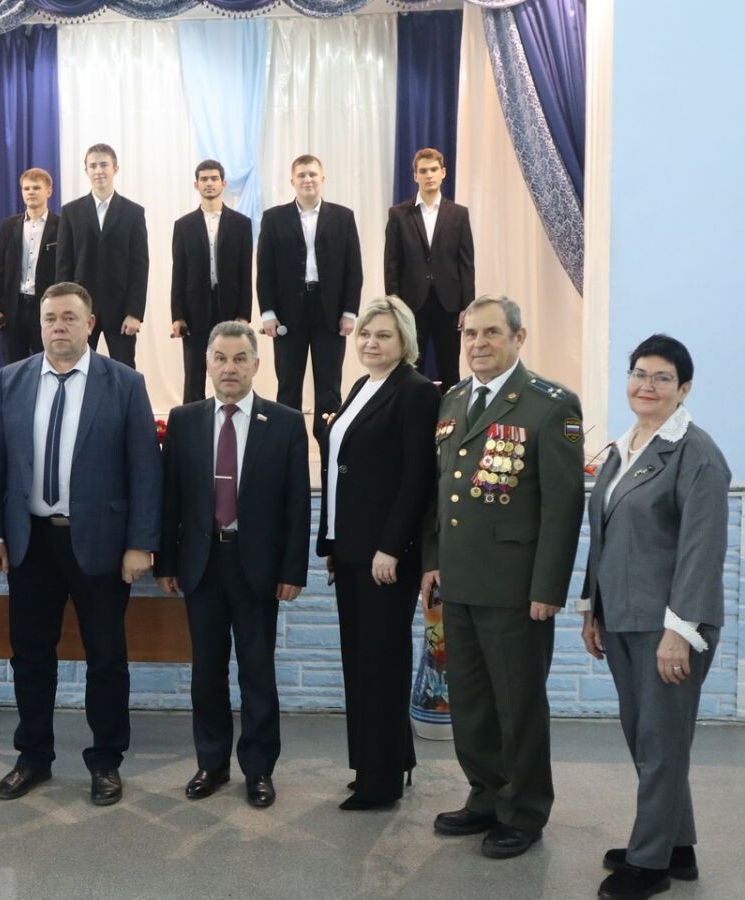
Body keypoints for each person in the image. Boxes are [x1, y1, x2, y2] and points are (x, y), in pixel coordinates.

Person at [0, 281, 162, 806]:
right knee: (31, 656)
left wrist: (140, 543)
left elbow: (145, 468)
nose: (58, 327)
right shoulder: (11, 378)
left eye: (69, 318)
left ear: (90, 323)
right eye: (50, 318)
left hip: (101, 544)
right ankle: (33, 756)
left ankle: (105, 761)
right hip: (31, 543)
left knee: (106, 658)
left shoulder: (124, 383)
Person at [420, 295, 584, 859]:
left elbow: (562, 507)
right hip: (460, 582)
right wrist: (433, 558)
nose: (478, 343)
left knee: (518, 705)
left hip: (516, 590)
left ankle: (524, 810)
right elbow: (443, 490)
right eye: (470, 333)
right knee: (470, 701)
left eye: (491, 332)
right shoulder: (453, 400)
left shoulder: (549, 405)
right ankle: (486, 795)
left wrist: (548, 588)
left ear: (519, 337)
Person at [579, 335, 729, 900]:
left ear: (683, 388)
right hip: (623, 615)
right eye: (639, 373)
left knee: (660, 745)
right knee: (648, 739)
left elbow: (701, 550)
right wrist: (592, 607)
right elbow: (605, 533)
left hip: (669, 626)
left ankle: (649, 864)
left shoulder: (698, 454)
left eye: (662, 377)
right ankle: (676, 846)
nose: (647, 385)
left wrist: (679, 632)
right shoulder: (626, 447)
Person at [156, 322, 308, 808]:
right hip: (201, 564)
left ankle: (259, 770)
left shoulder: (284, 422)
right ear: (207, 364)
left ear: (256, 365)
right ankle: (211, 763)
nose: (229, 368)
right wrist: (166, 561)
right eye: (220, 358)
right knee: (207, 671)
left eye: (240, 358)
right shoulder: (184, 420)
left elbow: (297, 505)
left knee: (257, 671)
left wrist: (293, 571)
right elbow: (171, 499)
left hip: (257, 567)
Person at [316, 297, 439, 810]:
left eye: (383, 335)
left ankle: (381, 783)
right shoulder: (362, 386)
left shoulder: (415, 391)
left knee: (381, 665)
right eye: (365, 334)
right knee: (360, 662)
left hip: (385, 557)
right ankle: (385, 761)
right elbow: (344, 470)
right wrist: (332, 541)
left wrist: (392, 546)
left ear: (404, 340)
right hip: (351, 551)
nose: (371, 343)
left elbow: (416, 478)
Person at [257, 154, 363, 443]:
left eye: (312, 174)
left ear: (322, 179)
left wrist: (350, 311)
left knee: (329, 385)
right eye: (301, 175)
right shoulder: (274, 218)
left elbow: (353, 268)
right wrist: (267, 312)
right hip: (288, 314)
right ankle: (287, 444)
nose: (307, 179)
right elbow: (265, 269)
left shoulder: (343, 217)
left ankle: (328, 443)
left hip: (330, 313)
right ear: (292, 181)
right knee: (288, 384)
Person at [383, 148, 475, 391]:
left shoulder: (459, 214)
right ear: (415, 176)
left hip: (449, 304)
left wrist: (467, 306)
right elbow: (391, 264)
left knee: (450, 368)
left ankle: (451, 414)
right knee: (411, 368)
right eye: (423, 171)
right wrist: (394, 305)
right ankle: (414, 414)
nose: (429, 175)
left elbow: (466, 263)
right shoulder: (399, 215)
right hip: (411, 304)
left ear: (443, 173)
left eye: (434, 169)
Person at [56, 144, 149, 368]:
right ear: (86, 171)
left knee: (124, 370)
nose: (98, 171)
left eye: (104, 165)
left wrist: (134, 313)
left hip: (120, 310)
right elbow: (64, 264)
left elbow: (139, 266)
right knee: (76, 367)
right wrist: (64, 309)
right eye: (93, 166)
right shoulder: (71, 212)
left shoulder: (134, 212)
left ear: (115, 168)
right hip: (80, 308)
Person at [170, 160, 254, 403]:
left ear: (223, 183)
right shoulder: (184, 225)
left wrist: (243, 314)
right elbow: (178, 274)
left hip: (229, 307)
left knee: (233, 370)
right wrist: (178, 316)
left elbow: (245, 272)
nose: (209, 183)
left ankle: (234, 417)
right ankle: (192, 422)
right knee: (194, 374)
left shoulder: (241, 224)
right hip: (194, 310)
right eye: (204, 179)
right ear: (196, 184)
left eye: (214, 178)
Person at [0, 167, 59, 364]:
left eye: (36, 188)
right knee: (13, 366)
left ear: (48, 191)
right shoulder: (8, 226)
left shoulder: (61, 226)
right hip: (14, 306)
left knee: (47, 362)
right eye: (26, 188)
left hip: (45, 306)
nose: (31, 192)